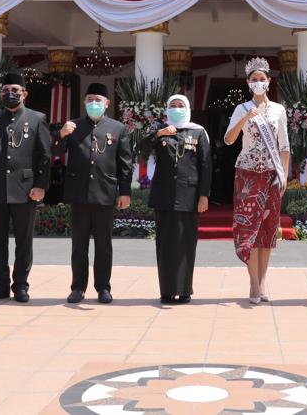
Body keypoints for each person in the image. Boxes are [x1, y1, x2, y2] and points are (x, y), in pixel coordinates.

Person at [0, 72, 51, 303]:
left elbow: (45, 155)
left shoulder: (37, 118)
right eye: (6, 90)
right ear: (0, 94)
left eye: (15, 91)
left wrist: (41, 186)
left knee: (23, 241)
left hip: (25, 188)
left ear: (24, 94)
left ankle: (20, 286)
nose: (10, 94)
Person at [57, 82, 133, 304]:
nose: (93, 104)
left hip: (105, 193)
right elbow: (54, 152)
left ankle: (103, 287)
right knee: (78, 244)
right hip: (79, 193)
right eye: (89, 100)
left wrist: (125, 192)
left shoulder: (118, 128)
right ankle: (78, 287)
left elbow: (125, 163)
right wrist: (61, 134)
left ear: (107, 103)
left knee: (103, 244)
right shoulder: (73, 126)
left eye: (98, 100)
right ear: (84, 102)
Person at [224, 57, 290, 305]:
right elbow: (229, 139)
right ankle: (252, 283)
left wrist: (283, 175)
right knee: (248, 229)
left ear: (269, 82)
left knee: (267, 229)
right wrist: (245, 118)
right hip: (247, 174)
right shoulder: (241, 109)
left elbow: (284, 146)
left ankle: (263, 282)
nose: (259, 83)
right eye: (254, 80)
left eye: (262, 79)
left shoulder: (278, 110)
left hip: (272, 175)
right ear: (248, 83)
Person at [137, 94, 210, 304]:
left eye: (180, 105)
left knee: (186, 243)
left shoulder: (198, 131)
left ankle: (185, 290)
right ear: (167, 109)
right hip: (164, 195)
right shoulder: (161, 130)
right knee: (165, 244)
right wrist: (159, 133)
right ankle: (167, 291)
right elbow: (140, 149)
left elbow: (205, 166)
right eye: (173, 106)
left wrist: (204, 195)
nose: (177, 109)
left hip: (190, 195)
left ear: (187, 108)